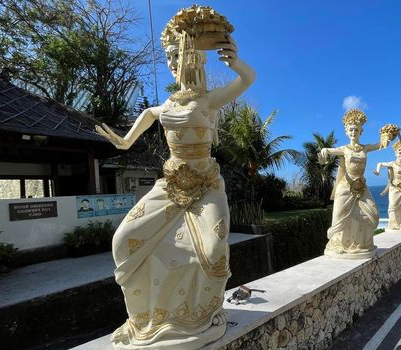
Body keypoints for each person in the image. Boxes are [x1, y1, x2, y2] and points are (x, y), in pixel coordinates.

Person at [95, 6, 255, 348]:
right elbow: (145, 119)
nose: (175, 63)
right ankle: (149, 317)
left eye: (181, 56)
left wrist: (235, 62)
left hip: (207, 185)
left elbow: (247, 80)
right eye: (170, 58)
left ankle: (199, 315)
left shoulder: (209, 100)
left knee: (213, 252)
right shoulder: (164, 107)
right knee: (124, 240)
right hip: (170, 186)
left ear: (196, 60)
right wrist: (123, 141)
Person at [318, 109, 396, 258]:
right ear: (347, 132)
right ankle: (339, 244)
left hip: (361, 186)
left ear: (361, 131)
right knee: (339, 218)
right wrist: (324, 150)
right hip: (346, 187)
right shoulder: (344, 149)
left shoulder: (365, 148)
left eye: (356, 129)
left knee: (372, 213)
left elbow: (380, 145)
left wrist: (388, 136)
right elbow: (330, 150)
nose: (353, 132)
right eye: (351, 129)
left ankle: (362, 243)